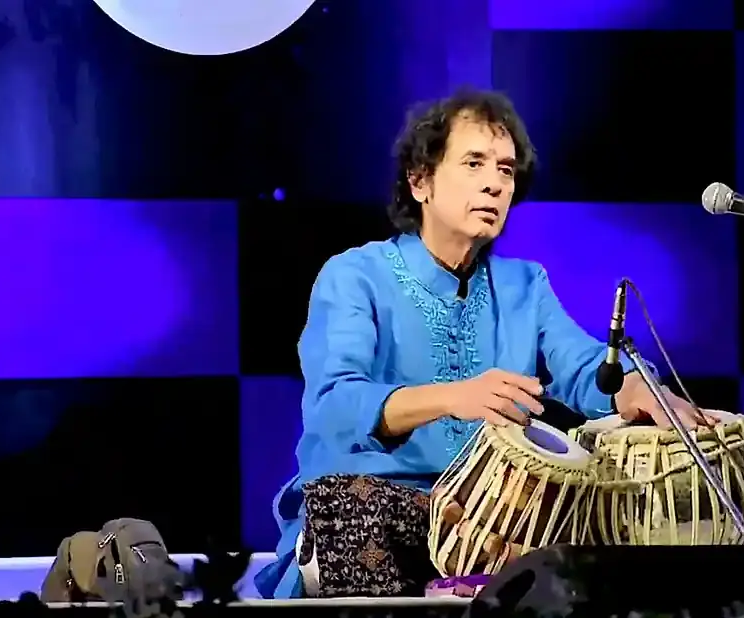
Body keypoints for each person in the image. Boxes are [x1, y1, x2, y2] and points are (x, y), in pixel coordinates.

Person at [255, 89, 711, 600]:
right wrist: (453, 396)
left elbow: (586, 368)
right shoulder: (355, 275)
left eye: (506, 170)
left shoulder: (524, 286)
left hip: (487, 525)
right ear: (420, 181)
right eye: (474, 163)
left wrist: (635, 389)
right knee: (352, 504)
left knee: (596, 519)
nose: (494, 183)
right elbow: (334, 407)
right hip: (376, 516)